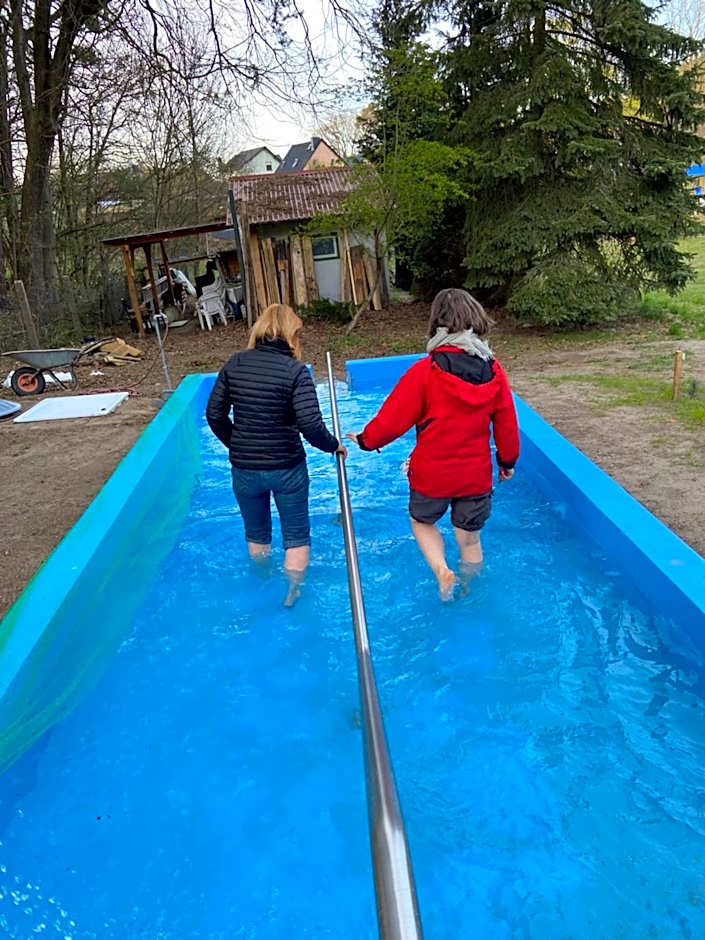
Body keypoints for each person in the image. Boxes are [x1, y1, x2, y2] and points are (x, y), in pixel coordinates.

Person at [347, 288, 519, 600]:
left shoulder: (425, 371)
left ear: (437, 324)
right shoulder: (494, 371)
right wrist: (507, 462)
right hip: (474, 476)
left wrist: (365, 441)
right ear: (475, 321)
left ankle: (441, 570)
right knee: (470, 542)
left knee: (422, 522)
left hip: (432, 476)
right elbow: (507, 422)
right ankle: (468, 591)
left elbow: (391, 419)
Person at [206, 303, 347, 606]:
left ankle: (260, 586)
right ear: (291, 335)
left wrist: (238, 444)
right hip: (287, 468)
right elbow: (311, 425)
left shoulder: (235, 364)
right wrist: (333, 444)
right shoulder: (295, 371)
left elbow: (214, 414)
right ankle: (293, 590)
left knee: (256, 535)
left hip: (244, 468)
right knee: (296, 536)